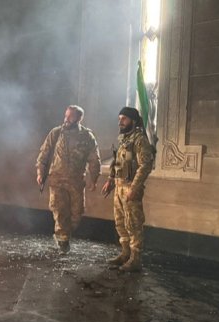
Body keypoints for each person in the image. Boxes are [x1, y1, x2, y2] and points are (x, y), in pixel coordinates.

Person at [36, 105, 100, 252]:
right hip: (57, 180)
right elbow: (44, 153)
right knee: (59, 211)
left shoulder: (87, 136)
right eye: (66, 116)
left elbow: (94, 159)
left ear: (79, 118)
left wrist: (94, 179)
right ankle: (63, 240)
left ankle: (64, 234)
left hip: (76, 181)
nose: (66, 119)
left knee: (77, 213)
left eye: (70, 116)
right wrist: (40, 172)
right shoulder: (56, 133)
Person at [101, 106, 155, 272]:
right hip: (119, 186)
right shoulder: (124, 139)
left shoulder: (139, 140)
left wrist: (134, 187)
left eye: (124, 119)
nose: (121, 122)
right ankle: (125, 253)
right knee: (120, 222)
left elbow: (145, 165)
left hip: (130, 187)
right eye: (119, 119)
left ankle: (135, 259)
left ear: (132, 120)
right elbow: (118, 161)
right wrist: (111, 180)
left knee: (133, 223)